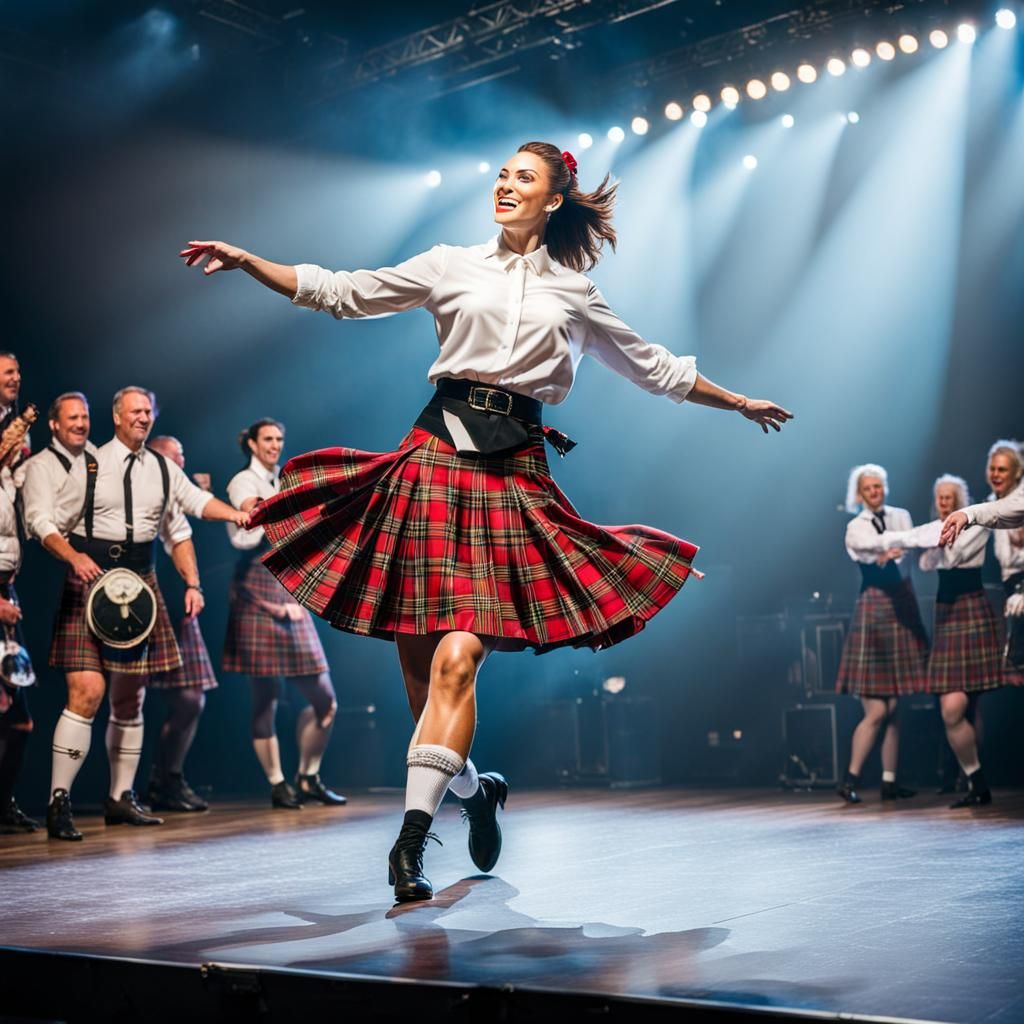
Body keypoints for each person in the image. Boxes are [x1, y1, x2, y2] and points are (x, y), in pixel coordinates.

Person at [180, 141, 792, 901]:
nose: (505, 185)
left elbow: (655, 367)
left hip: (512, 479)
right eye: (501, 175)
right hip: (430, 467)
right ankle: (476, 792)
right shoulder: (449, 264)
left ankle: (407, 848)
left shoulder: (576, 292)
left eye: (523, 178)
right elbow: (341, 291)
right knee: (426, 697)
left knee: (456, 662)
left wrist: (738, 401)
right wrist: (248, 260)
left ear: (555, 197)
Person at [42, 386, 247, 840]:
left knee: (130, 697)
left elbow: (192, 509)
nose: (143, 417)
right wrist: (73, 556)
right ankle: (59, 801)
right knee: (87, 692)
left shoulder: (160, 467)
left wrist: (235, 516)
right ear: (116, 417)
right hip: (92, 579)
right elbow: (49, 521)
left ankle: (121, 797)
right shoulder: (90, 463)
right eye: (135, 411)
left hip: (141, 585)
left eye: (148, 411)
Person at [223, 418, 346, 810]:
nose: (275, 445)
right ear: (252, 444)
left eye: (279, 439)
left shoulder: (285, 480)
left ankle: (308, 776)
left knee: (325, 700)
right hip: (258, 587)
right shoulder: (243, 482)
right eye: (268, 440)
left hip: (291, 589)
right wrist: (264, 511)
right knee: (266, 699)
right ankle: (278, 782)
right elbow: (242, 529)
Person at [872, 475, 1000, 808]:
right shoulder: (935, 528)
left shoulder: (976, 522)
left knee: (968, 706)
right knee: (951, 708)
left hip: (972, 611)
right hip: (946, 614)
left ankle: (971, 779)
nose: (943, 502)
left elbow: (954, 554)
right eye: (939, 497)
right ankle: (975, 780)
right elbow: (929, 562)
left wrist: (926, 541)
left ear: (960, 498)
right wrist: (905, 546)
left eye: (949, 497)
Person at [833, 465, 928, 804]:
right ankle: (849, 779)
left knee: (894, 706)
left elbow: (910, 550)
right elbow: (869, 550)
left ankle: (889, 782)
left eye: (878, 486)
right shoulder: (855, 527)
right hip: (873, 609)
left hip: (902, 604)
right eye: (868, 488)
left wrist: (895, 550)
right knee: (876, 710)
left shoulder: (901, 516)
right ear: (859, 493)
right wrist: (889, 550)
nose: (874, 492)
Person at [144, 435, 220, 812]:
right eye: (174, 459)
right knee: (130, 698)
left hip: (181, 604)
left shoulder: (184, 499)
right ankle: (129, 788)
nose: (181, 465)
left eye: (182, 457)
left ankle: (168, 777)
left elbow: (198, 544)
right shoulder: (141, 494)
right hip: (145, 605)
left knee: (192, 698)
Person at [980, 441, 1024, 687]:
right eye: (993, 469)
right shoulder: (989, 504)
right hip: (1003, 592)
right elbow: (1001, 558)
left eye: (1003, 470)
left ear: (1016, 472)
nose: (996, 475)